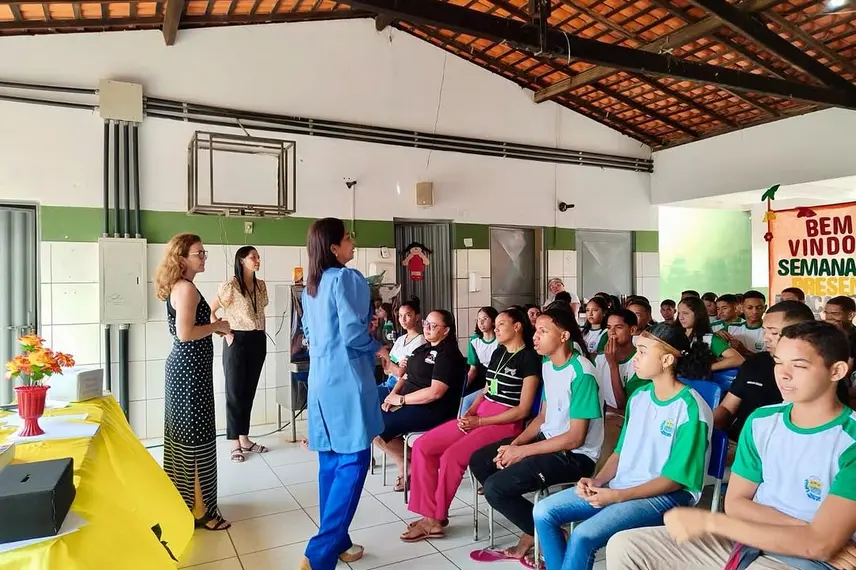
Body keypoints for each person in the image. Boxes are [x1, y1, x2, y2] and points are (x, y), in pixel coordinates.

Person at [606, 321, 856, 570]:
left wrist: (710, 523)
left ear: (837, 371)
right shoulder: (762, 421)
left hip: (807, 560)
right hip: (749, 539)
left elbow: (820, 546)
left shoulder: (850, 440)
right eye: (778, 363)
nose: (783, 374)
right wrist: (810, 533)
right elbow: (736, 504)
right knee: (626, 546)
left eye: (799, 366)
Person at [532, 323, 715, 570]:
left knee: (583, 535)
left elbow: (675, 479)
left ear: (667, 360)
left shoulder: (691, 408)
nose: (635, 358)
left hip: (666, 495)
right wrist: (598, 481)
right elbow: (620, 452)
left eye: (643, 352)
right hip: (622, 485)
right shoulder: (639, 398)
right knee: (543, 512)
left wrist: (617, 496)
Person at [468, 307, 603, 563]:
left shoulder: (582, 374)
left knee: (496, 488)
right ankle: (534, 529)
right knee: (481, 461)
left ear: (564, 336)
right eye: (536, 331)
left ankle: (550, 534)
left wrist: (522, 451)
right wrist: (514, 444)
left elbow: (575, 438)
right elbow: (542, 417)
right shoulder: (548, 364)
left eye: (543, 331)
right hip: (548, 441)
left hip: (574, 456)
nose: (535, 337)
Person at [401, 308, 540, 542]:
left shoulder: (529, 359)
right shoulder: (499, 352)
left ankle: (435, 519)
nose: (495, 328)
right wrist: (472, 410)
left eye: (501, 324)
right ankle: (429, 511)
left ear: (517, 326)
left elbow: (523, 410)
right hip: (481, 414)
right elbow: (487, 390)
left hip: (505, 422)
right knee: (424, 446)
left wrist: (481, 421)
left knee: (452, 456)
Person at [300, 218, 384, 568]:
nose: (353, 243)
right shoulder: (347, 278)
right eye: (348, 238)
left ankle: (340, 541)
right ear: (334, 248)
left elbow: (308, 331)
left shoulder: (311, 286)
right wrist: (377, 346)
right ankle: (318, 555)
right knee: (354, 461)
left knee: (331, 463)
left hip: (321, 379)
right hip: (347, 380)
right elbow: (353, 333)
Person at [154, 233, 231, 531]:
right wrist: (217, 325)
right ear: (181, 258)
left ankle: (187, 504)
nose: (203, 257)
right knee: (195, 439)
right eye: (199, 253)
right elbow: (185, 334)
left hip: (187, 371)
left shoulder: (182, 286)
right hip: (189, 372)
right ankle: (201, 512)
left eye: (204, 252)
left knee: (186, 437)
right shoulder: (186, 289)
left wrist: (213, 328)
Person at [374, 310, 466, 492]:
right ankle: (407, 462)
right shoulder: (422, 349)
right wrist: (392, 396)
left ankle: (411, 463)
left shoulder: (448, 354)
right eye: (426, 323)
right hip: (410, 402)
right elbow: (406, 376)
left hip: (433, 409)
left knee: (377, 426)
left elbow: (435, 393)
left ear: (446, 330)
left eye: (433, 325)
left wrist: (401, 399)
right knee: (372, 421)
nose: (427, 328)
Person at [713, 301, 815, 447]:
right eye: (764, 331)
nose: (765, 337)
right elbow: (727, 408)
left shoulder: (817, 374)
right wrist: (706, 428)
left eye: (774, 332)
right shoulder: (755, 363)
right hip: (739, 442)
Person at [210, 245, 269, 464]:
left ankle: (244, 438)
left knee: (248, 392)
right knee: (235, 392)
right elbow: (210, 310)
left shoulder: (261, 286)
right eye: (253, 257)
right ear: (241, 260)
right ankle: (235, 442)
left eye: (258, 257)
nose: (257, 260)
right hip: (237, 340)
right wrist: (224, 333)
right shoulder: (231, 286)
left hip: (258, 339)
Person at [377, 298, 426, 401]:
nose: (403, 319)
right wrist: (395, 365)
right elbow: (385, 368)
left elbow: (401, 372)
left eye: (407, 315)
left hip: (401, 387)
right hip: (388, 382)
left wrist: (392, 364)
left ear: (417, 317)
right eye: (400, 315)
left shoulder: (420, 342)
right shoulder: (400, 339)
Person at [678, 296, 744, 371]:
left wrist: (705, 368)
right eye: (679, 313)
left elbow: (738, 359)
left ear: (698, 314)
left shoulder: (709, 339)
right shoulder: (676, 335)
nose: (681, 317)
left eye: (685, 313)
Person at [463, 306, 500, 414]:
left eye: (485, 318)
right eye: (479, 319)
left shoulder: (500, 340)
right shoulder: (474, 340)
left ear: (493, 321)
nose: (481, 322)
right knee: (466, 399)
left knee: (485, 403)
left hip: (496, 378)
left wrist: (486, 392)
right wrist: (463, 387)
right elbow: (473, 369)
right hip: (481, 377)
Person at [721, 290, 767, 356]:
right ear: (742, 308)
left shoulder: (771, 331)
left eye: (759, 308)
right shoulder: (730, 328)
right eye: (749, 308)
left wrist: (745, 351)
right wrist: (717, 335)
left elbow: (771, 360)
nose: (755, 311)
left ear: (765, 308)